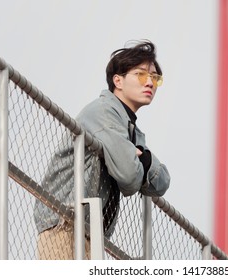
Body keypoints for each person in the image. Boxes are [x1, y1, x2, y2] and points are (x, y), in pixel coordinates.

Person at [33, 40, 170, 259]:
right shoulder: (104, 112)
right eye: (141, 75)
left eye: (155, 78)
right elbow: (129, 177)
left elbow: (162, 183)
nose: (150, 83)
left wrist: (142, 159)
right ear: (118, 80)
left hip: (90, 232)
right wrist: (137, 163)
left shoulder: (131, 130)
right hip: (64, 222)